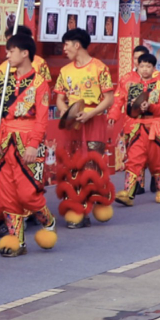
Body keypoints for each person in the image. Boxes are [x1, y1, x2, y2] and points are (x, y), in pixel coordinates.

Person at [0, 33, 58, 257]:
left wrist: (34, 144)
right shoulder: (4, 80)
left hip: (28, 142)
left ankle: (47, 220)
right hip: (4, 141)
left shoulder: (40, 83)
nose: (7, 54)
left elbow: (42, 118)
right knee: (7, 193)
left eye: (11, 50)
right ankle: (17, 241)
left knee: (28, 193)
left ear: (24, 53)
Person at [53, 28, 116, 228]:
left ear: (77, 44)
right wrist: (65, 110)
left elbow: (109, 99)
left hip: (93, 122)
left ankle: (87, 209)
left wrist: (90, 113)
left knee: (91, 167)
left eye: (66, 44)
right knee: (72, 166)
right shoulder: (65, 71)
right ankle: (76, 208)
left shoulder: (99, 68)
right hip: (73, 124)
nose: (64, 49)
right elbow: (59, 98)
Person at [112, 53, 160, 206]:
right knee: (133, 158)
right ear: (137, 66)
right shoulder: (128, 80)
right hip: (136, 127)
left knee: (158, 160)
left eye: (148, 66)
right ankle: (128, 193)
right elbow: (118, 98)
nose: (145, 69)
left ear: (153, 68)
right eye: (142, 66)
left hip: (155, 126)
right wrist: (113, 115)